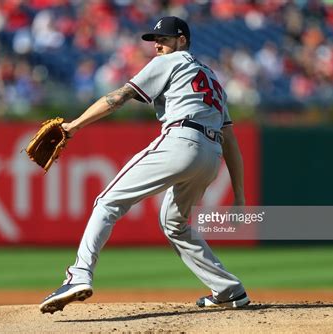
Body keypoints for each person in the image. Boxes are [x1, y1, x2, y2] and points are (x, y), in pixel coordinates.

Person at [40, 16, 249, 314]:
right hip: (210, 155)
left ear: (182, 40)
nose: (157, 45)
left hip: (181, 140)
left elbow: (118, 97)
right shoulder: (213, 79)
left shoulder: (172, 61)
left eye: (163, 39)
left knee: (107, 202)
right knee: (175, 224)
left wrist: (73, 125)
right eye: (155, 40)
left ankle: (78, 275)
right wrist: (239, 195)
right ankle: (229, 290)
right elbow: (230, 140)